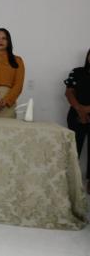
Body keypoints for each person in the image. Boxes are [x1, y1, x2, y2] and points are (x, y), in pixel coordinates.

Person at [64, 48, 90, 192]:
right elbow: (69, 92)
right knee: (74, 147)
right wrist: (80, 110)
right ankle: (69, 181)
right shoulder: (77, 72)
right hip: (75, 115)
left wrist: (86, 110)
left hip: (84, 112)